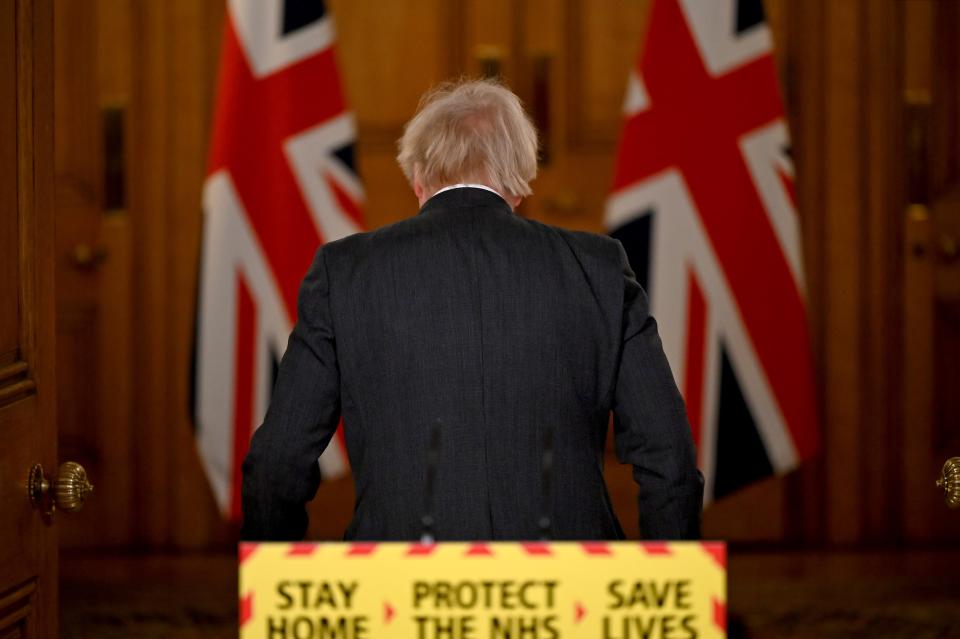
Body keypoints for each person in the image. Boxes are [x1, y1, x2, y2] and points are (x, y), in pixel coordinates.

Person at [241, 79, 703, 541]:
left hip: (394, 589)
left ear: (418, 177)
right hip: (571, 587)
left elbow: (278, 464)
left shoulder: (343, 273)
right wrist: (667, 596)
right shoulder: (598, 269)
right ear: (518, 181)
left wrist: (279, 594)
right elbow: (669, 459)